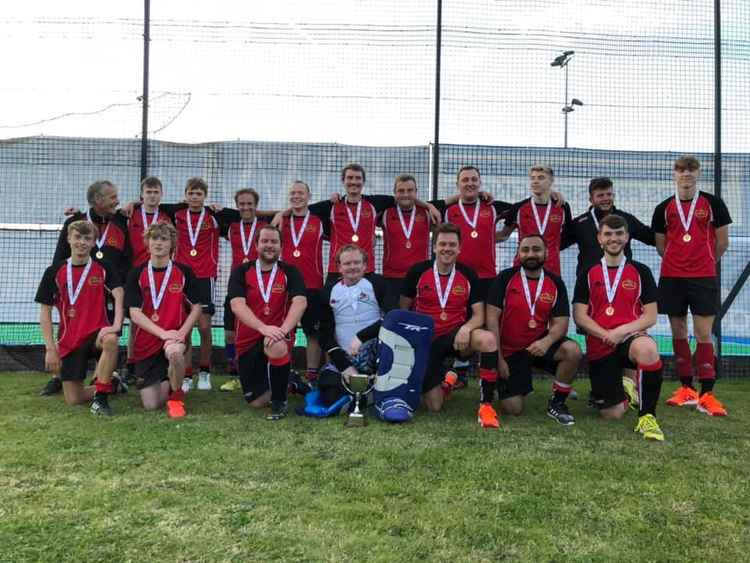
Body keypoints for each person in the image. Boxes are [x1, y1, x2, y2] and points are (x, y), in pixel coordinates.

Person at [573, 214, 665, 441]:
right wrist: (606, 334)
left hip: (628, 338)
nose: (614, 238)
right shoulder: (587, 273)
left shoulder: (641, 271)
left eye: (619, 233)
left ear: (627, 237)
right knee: (611, 414)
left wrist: (620, 332)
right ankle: (625, 389)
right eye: (608, 234)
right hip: (600, 344)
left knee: (648, 349)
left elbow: (650, 316)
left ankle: (647, 417)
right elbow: (580, 316)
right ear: (599, 239)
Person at [651, 156, 732, 416]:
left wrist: (704, 262)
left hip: (702, 277)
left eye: (690, 169)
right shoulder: (663, 207)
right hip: (673, 276)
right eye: (680, 170)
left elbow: (722, 242)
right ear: (674, 174)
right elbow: (661, 245)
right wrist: (679, 262)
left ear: (698, 173)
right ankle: (687, 388)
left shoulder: (713, 204)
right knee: (677, 331)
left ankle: (707, 393)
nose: (685, 174)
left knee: (703, 333)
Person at [41, 180, 129, 397]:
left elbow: (128, 258)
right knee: (71, 333)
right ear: (98, 200)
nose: (117, 201)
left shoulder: (121, 221)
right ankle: (60, 377)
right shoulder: (76, 223)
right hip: (77, 296)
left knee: (109, 339)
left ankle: (105, 382)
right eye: (112, 197)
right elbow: (60, 259)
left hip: (107, 293)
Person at [400, 223, 499, 413]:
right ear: (434, 246)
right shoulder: (417, 272)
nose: (447, 248)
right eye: (442, 244)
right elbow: (403, 309)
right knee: (434, 407)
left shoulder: (468, 274)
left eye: (452, 245)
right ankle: (447, 380)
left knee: (487, 339)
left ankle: (486, 404)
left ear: (459, 247)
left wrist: (466, 328)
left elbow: (480, 314)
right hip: (426, 339)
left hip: (456, 338)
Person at [485, 234, 582, 427]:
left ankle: (557, 402)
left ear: (546, 253)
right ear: (519, 253)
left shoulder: (555, 283)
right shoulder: (504, 279)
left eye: (536, 249)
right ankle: (510, 384)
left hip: (538, 346)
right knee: (513, 409)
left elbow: (561, 323)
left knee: (573, 350)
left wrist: (546, 342)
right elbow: (491, 320)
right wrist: (499, 358)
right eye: (525, 249)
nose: (531, 254)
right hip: (509, 351)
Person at [36, 220, 124, 415]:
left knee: (111, 339)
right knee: (74, 399)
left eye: (87, 238)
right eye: (78, 237)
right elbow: (45, 312)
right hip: (70, 340)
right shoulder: (54, 271)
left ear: (94, 243)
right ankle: (112, 384)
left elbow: (119, 293)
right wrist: (51, 348)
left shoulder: (104, 267)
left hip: (97, 335)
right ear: (68, 239)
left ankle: (101, 399)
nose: (82, 242)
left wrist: (116, 325)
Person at [300, 163, 439, 283]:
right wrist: (283, 213)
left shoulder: (374, 203)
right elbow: (302, 208)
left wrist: (429, 206)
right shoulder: (331, 206)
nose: (354, 181)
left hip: (366, 272)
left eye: (358, 178)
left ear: (363, 182)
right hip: (338, 271)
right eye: (350, 178)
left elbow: (403, 198)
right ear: (343, 181)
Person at [227, 225, 307, 420]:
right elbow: (237, 305)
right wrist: (263, 328)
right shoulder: (241, 271)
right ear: (256, 245)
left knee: (275, 344)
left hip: (278, 335)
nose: (269, 245)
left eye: (274, 242)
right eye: (265, 241)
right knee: (256, 402)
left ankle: (280, 402)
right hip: (249, 339)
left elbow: (300, 302)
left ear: (281, 246)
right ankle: (289, 382)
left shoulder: (290, 271)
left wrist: (283, 330)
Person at [126, 223, 202, 417]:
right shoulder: (137, 273)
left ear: (172, 244)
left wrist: (181, 333)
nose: (158, 243)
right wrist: (162, 333)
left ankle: (176, 398)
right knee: (151, 405)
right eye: (154, 238)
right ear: (147, 243)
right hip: (147, 342)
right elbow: (134, 313)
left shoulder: (184, 272)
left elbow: (197, 307)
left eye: (164, 239)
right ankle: (169, 380)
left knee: (176, 353)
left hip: (174, 337)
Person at [172, 177, 236, 391]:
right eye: (191, 193)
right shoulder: (177, 215)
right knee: (186, 329)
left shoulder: (214, 216)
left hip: (205, 276)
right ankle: (188, 375)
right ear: (185, 195)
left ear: (205, 196)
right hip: (182, 277)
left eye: (199, 193)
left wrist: (221, 209)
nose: (195, 197)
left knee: (204, 326)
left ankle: (205, 372)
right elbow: (153, 207)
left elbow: (243, 215)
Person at [317, 245, 389, 409]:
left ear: (365, 265)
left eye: (357, 262)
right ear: (339, 267)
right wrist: (344, 366)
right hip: (347, 357)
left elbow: (391, 317)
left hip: (377, 355)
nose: (352, 267)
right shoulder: (328, 292)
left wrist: (362, 336)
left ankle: (360, 396)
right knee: (327, 387)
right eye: (347, 263)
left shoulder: (377, 284)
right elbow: (324, 336)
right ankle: (367, 397)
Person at [277, 181, 325, 382]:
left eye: (301, 193)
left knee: (312, 332)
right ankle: (283, 370)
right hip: (286, 284)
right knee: (285, 329)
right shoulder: (282, 221)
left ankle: (312, 373)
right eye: (293, 193)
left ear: (309, 196)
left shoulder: (319, 221)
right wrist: (282, 213)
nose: (297, 196)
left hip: (313, 284)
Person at [561, 176, 655, 277]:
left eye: (609, 194)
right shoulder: (579, 224)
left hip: (622, 280)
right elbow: (558, 244)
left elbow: (652, 238)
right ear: (591, 199)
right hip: (589, 282)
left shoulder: (627, 219)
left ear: (613, 196)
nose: (605, 198)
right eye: (600, 195)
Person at [219, 188, 265, 389]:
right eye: (242, 204)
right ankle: (234, 372)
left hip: (259, 284)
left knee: (255, 329)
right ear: (236, 205)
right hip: (236, 283)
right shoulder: (231, 227)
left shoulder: (265, 227)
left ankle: (259, 370)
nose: (246, 207)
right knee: (230, 330)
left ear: (256, 205)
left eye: (250, 203)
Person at [500, 165, 572, 277]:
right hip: (522, 269)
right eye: (533, 178)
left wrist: (552, 249)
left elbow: (567, 237)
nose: (535, 181)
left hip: (552, 270)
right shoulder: (519, 208)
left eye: (541, 178)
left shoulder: (562, 207)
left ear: (551, 181)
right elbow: (503, 235)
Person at [380, 174, 432, 310]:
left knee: (418, 318)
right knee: (394, 320)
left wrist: (480, 194)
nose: (405, 195)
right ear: (394, 193)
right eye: (401, 191)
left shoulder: (427, 213)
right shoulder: (385, 213)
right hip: (392, 278)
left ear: (416, 192)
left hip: (420, 277)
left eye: (410, 190)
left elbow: (451, 202)